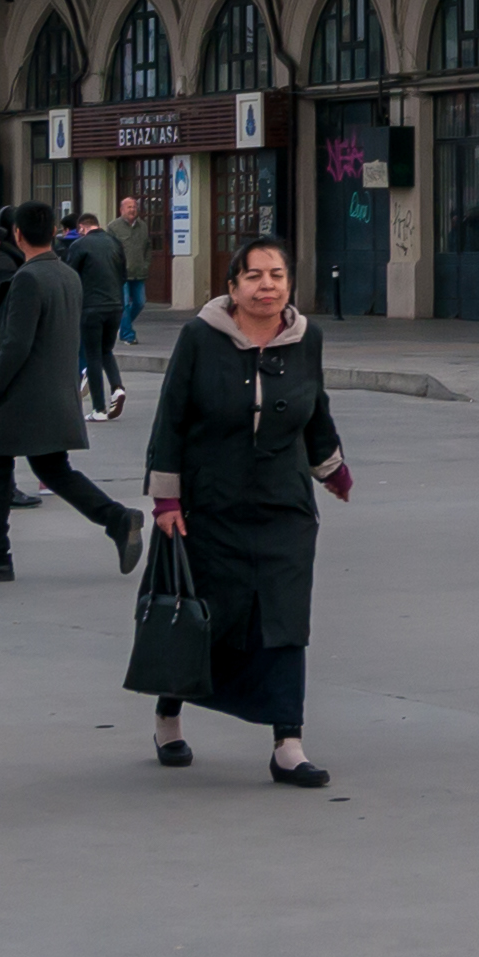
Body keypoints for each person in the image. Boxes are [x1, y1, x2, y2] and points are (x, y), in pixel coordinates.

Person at [144, 231, 351, 783]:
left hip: (284, 506)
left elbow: (316, 409)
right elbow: (172, 418)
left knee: (285, 619)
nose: (267, 286)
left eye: (277, 276)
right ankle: (169, 713)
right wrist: (167, 496)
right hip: (213, 505)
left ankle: (288, 742)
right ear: (232, 286)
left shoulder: (308, 339)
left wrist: (332, 469)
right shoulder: (199, 337)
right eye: (254, 276)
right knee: (209, 617)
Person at [0, 204, 146, 584]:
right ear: (55, 230)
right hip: (55, 390)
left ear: (17, 235)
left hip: (20, 394)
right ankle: (117, 518)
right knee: (52, 467)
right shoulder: (68, 275)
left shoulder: (27, 278)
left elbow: (15, 345)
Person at [67, 210, 129, 419]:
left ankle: (99, 408)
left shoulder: (79, 245)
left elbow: (70, 277)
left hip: (91, 307)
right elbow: (123, 275)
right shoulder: (115, 242)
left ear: (82, 228)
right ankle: (117, 387)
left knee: (92, 354)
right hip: (115, 305)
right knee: (106, 350)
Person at [114, 191, 152, 347]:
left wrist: (146, 264)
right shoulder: (113, 227)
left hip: (139, 272)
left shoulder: (142, 226)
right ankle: (128, 335)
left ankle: (123, 326)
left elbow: (148, 248)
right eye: (129, 207)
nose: (132, 210)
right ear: (121, 209)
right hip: (121, 274)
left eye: (135, 207)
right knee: (125, 305)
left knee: (140, 302)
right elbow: (110, 250)